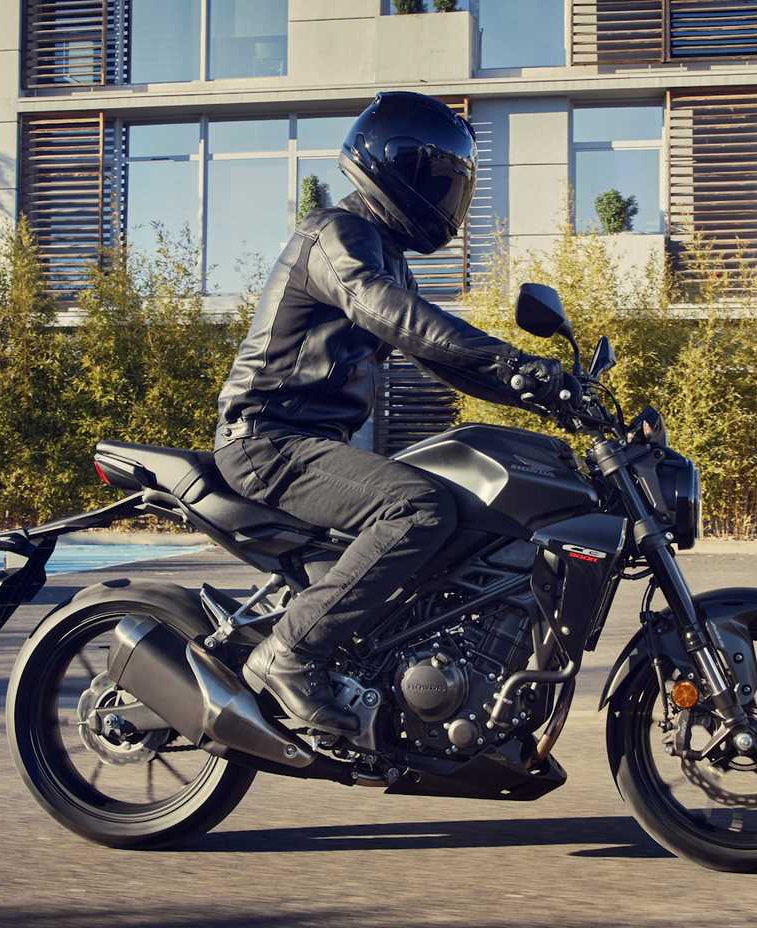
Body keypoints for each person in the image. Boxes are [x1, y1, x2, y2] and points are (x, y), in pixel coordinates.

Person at [213, 92, 565, 735]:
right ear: (398, 168)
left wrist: (547, 394)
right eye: (442, 182)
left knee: (463, 515)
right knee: (417, 508)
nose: (451, 199)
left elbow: (445, 361)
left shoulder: (386, 252)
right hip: (269, 441)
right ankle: (288, 656)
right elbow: (384, 311)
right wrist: (515, 361)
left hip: (312, 444)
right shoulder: (337, 234)